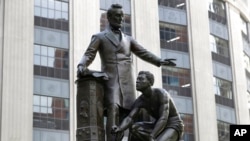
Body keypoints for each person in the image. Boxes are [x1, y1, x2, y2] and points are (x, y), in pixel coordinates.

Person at [77, 4, 176, 141]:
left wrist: (159, 61)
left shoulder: (128, 39)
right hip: (111, 81)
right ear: (109, 17)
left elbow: (144, 53)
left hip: (128, 82)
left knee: (131, 113)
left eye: (122, 16)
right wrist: (82, 64)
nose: (121, 19)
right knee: (113, 108)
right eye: (117, 16)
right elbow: (89, 54)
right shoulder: (100, 37)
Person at [111, 71, 184, 141]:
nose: (137, 81)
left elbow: (163, 118)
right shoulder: (140, 101)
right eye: (137, 79)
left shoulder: (161, 94)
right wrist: (120, 128)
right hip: (157, 124)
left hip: (173, 124)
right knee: (134, 127)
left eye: (141, 79)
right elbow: (129, 118)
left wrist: (152, 135)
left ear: (150, 82)